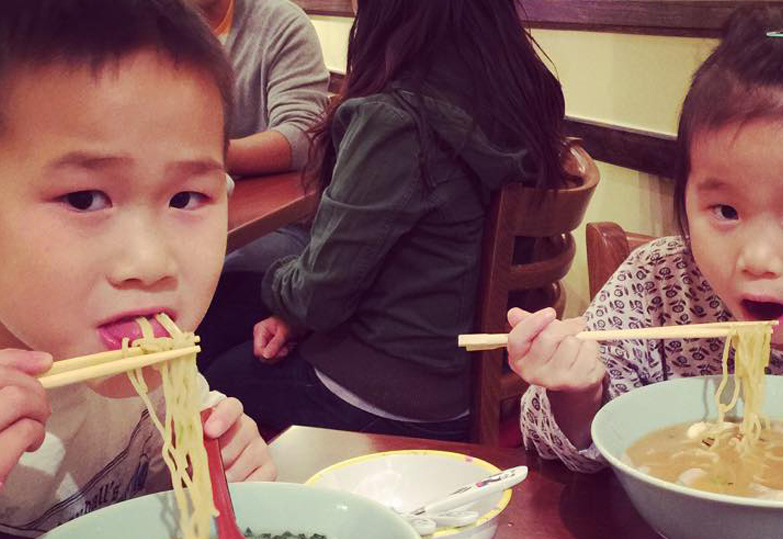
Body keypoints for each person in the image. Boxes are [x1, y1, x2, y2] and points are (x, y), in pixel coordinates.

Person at [0, 0, 277, 539]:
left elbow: (174, 510)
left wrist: (217, 471)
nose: (151, 263)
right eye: (84, 199)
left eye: (187, 198)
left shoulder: (144, 360)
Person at [509, 6, 783, 496]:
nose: (757, 258)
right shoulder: (656, 285)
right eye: (725, 210)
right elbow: (558, 440)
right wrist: (575, 389)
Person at [202, 0, 570, 441]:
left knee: (216, 366)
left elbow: (317, 297)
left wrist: (287, 295)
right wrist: (298, 308)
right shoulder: (527, 92)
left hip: (392, 396)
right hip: (475, 378)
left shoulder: (397, 119)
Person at [187, 0, 329, 273]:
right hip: (170, 218)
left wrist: (198, 158)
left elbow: (303, 137)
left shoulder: (280, 23)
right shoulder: (150, 33)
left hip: (273, 226)